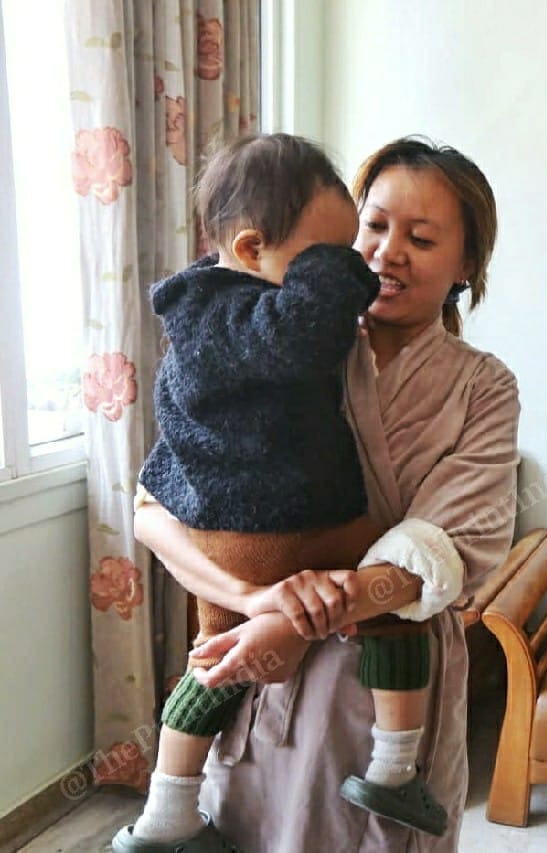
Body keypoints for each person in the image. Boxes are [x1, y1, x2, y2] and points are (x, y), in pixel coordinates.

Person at [127, 136, 519, 852]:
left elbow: (455, 545)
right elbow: (155, 512)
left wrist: (298, 620)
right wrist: (254, 604)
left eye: (422, 237)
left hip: (382, 698)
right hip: (250, 670)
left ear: (467, 264)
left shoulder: (482, 387)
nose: (386, 252)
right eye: (373, 227)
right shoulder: (278, 342)